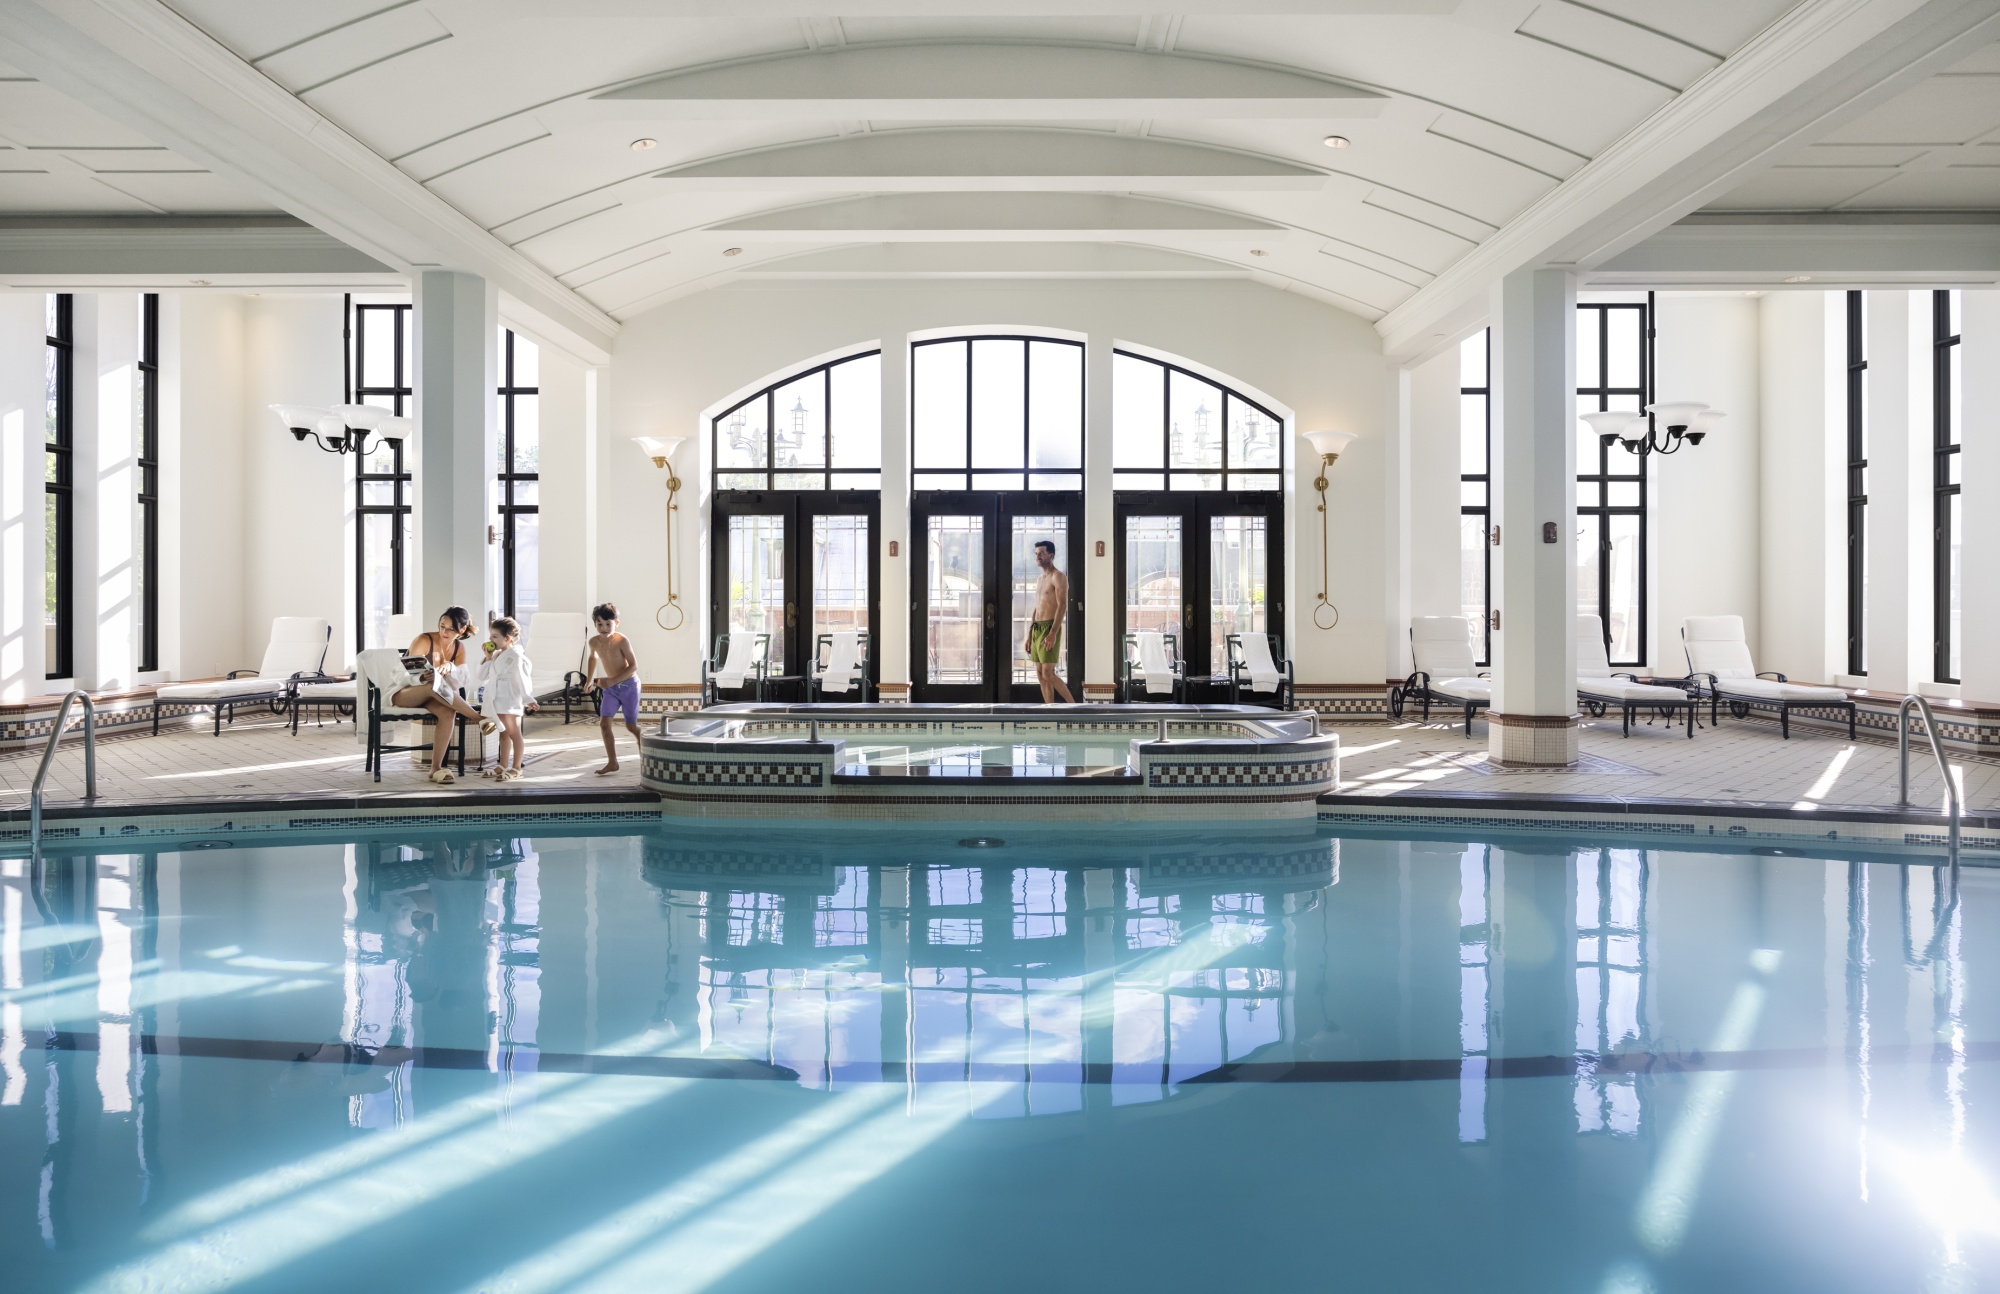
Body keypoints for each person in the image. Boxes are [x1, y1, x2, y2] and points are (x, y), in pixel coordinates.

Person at [391, 606, 496, 785]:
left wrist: (450, 668)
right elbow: (400, 675)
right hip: (403, 693)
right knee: (433, 684)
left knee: (448, 713)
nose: (444, 631)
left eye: (450, 629)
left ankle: (436, 769)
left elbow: (463, 679)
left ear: (461, 630)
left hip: (431, 696)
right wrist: (422, 677)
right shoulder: (424, 640)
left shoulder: (459, 648)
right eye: (442, 626)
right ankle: (479, 719)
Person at [586, 602, 642, 775]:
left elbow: (633, 666)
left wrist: (612, 681)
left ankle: (646, 757)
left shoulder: (622, 641)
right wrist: (589, 680)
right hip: (611, 689)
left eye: (608, 624)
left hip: (629, 686)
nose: (604, 628)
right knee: (604, 724)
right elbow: (593, 658)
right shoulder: (593, 641)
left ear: (616, 623)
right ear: (595, 624)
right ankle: (612, 762)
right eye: (599, 624)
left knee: (631, 727)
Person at [478, 615, 536, 781]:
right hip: (496, 700)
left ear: (507, 638)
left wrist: (528, 698)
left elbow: (524, 679)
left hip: (510, 700)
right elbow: (482, 675)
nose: (490, 639)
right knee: (503, 734)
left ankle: (516, 768)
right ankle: (503, 765)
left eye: (494, 636)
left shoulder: (517, 657)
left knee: (514, 733)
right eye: (490, 636)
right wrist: (488, 657)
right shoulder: (496, 655)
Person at [1024, 540, 1075, 704]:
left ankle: (1074, 706)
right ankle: (1050, 709)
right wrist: (1029, 634)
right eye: (1036, 554)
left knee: (1048, 672)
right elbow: (1037, 607)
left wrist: (1052, 633)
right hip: (1037, 628)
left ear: (1051, 555)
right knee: (1040, 673)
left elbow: (1063, 605)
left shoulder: (1058, 577)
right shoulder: (1040, 579)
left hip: (1049, 627)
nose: (1037, 556)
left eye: (1041, 553)